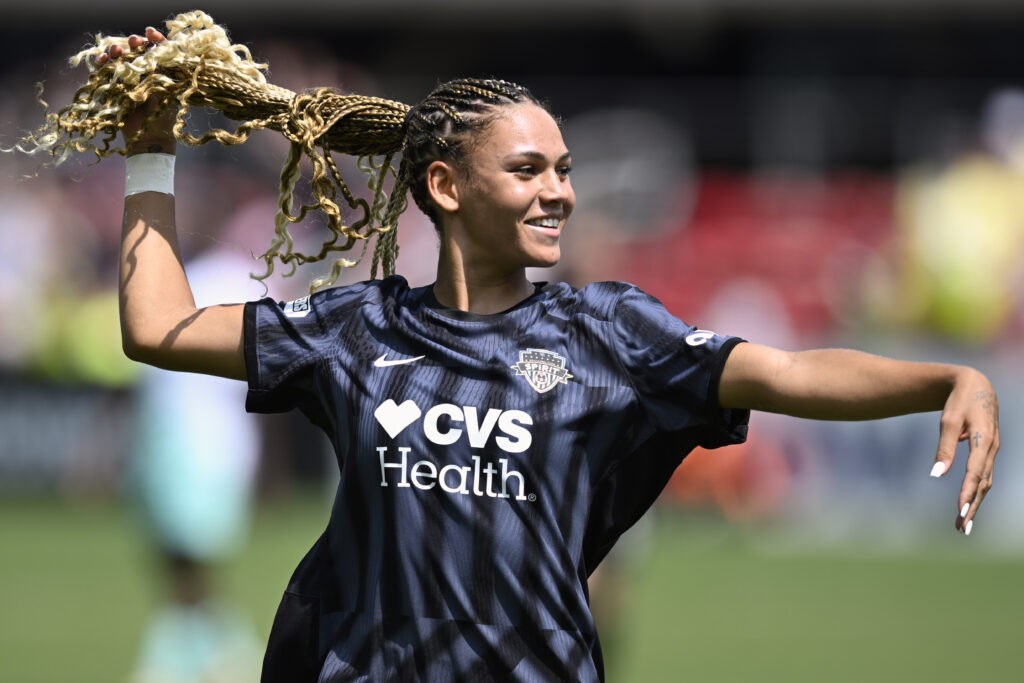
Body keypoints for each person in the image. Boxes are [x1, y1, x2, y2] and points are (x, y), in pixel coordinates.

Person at [26, 16, 999, 682]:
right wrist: (150, 152)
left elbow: (786, 372)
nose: (559, 192)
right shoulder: (356, 328)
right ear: (445, 187)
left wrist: (946, 376)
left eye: (564, 171)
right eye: (528, 168)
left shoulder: (609, 333)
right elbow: (157, 330)